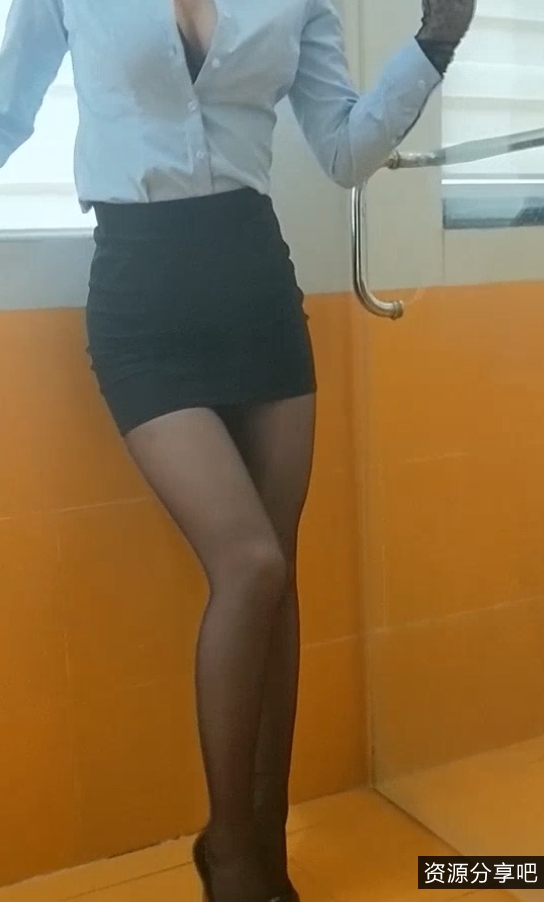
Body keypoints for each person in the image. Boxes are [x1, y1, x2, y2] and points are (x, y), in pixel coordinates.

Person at [0, 0, 475, 900]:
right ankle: (229, 850)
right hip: (140, 298)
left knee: (278, 577)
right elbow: (6, 111)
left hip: (255, 290)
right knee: (250, 563)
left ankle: (265, 845)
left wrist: (435, 43)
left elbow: (343, 150)